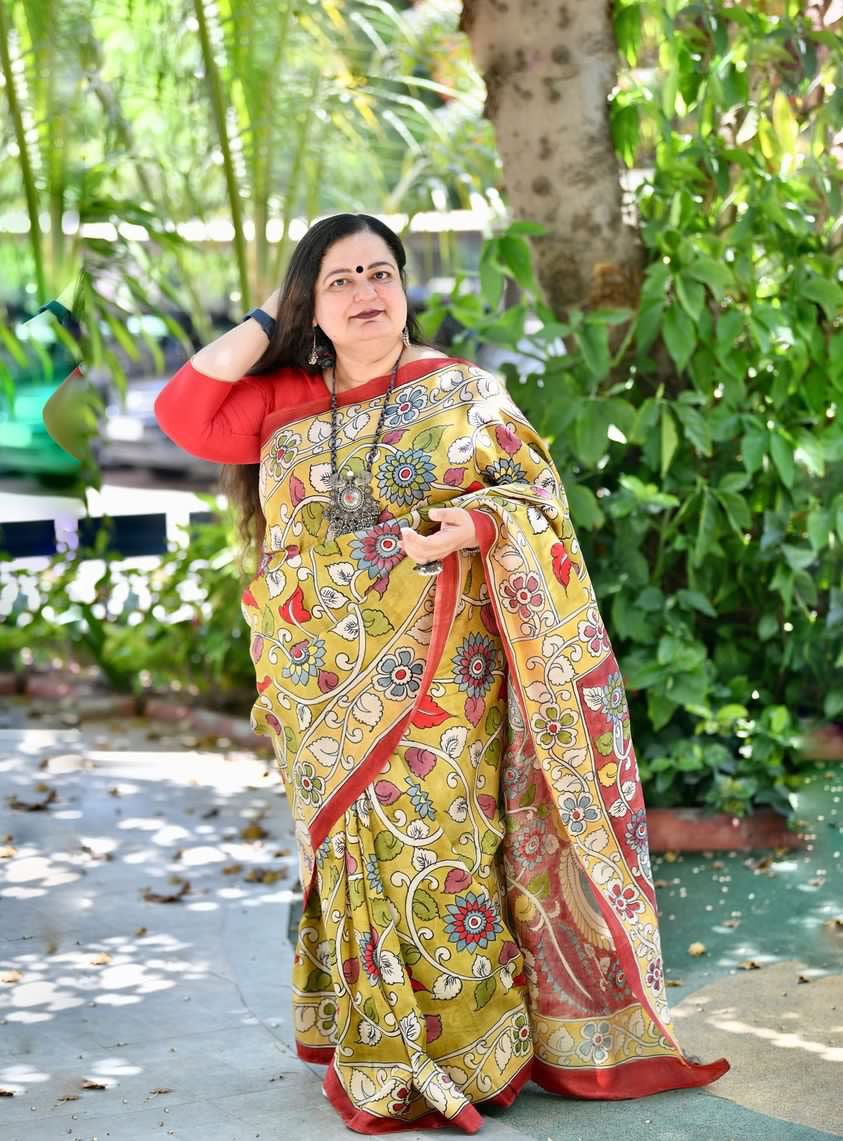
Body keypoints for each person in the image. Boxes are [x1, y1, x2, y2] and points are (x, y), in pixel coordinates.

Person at [154, 212, 730, 1133]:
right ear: (312, 301)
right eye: (338, 279)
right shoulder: (285, 400)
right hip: (319, 692)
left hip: (441, 682)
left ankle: (477, 1052)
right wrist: (273, 314)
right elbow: (182, 411)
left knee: (443, 850)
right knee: (352, 862)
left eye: (379, 272)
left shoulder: (463, 392)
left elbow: (536, 502)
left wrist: (478, 525)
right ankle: (378, 1042)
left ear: (405, 286)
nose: (365, 293)